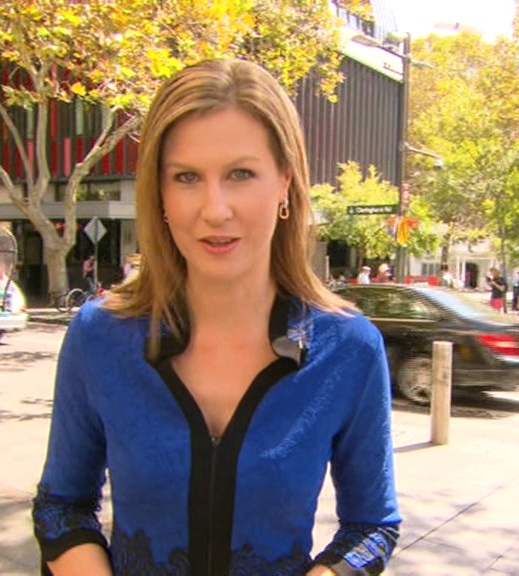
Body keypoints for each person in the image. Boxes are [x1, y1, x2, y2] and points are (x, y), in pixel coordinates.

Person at [32, 59, 400, 576]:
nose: (215, 209)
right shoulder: (100, 336)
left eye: (240, 174)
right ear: (160, 194)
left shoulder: (350, 347)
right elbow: (61, 506)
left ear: (285, 183)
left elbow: (372, 527)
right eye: (186, 177)